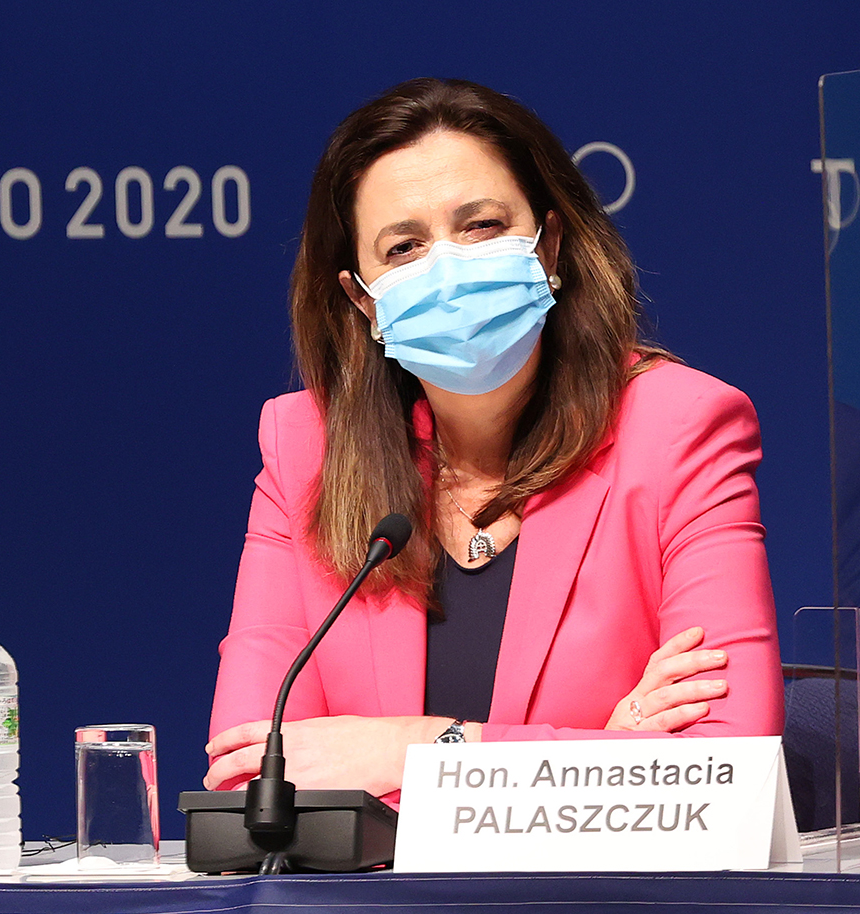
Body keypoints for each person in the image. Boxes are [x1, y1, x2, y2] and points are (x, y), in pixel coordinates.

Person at [204, 78, 782, 800]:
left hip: (605, 912)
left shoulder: (680, 428)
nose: (447, 267)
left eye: (480, 226)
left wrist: (414, 749)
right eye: (405, 246)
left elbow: (728, 769)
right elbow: (247, 782)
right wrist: (608, 754)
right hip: (369, 913)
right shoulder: (305, 448)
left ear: (552, 242)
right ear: (362, 298)